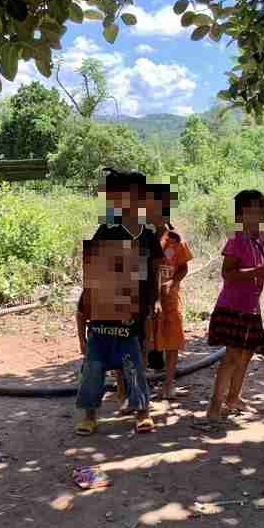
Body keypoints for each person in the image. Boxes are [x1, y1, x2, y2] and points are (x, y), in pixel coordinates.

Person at [75, 170, 158, 435]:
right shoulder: (107, 230)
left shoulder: (148, 235)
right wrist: (89, 303)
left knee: (135, 363)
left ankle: (141, 410)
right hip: (106, 308)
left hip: (136, 310)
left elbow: (154, 272)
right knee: (93, 368)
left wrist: (152, 303)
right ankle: (90, 414)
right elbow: (93, 267)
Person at [201, 190, 264, 427]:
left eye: (261, 211)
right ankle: (214, 405)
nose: (256, 216)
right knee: (231, 357)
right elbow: (227, 273)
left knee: (247, 354)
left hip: (252, 308)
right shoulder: (236, 239)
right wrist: (255, 272)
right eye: (250, 211)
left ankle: (234, 397)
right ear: (239, 216)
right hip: (232, 306)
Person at [145, 183, 193, 400]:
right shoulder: (144, 238)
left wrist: (173, 283)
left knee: (172, 340)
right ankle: (141, 385)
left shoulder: (175, 239)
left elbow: (183, 267)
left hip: (169, 299)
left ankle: (169, 384)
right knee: (146, 339)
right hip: (147, 298)